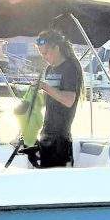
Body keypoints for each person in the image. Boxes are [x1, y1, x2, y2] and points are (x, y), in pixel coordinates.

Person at [33, 29, 83, 168]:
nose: (44, 57)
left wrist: (44, 86)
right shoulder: (50, 69)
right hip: (46, 133)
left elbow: (68, 100)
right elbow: (48, 99)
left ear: (56, 48)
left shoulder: (70, 68)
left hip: (61, 137)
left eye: (46, 52)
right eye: (41, 53)